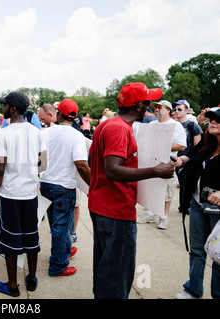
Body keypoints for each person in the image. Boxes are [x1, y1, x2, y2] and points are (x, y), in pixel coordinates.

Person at [88, 82, 175, 299]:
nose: (150, 107)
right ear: (138, 107)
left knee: (105, 269)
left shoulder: (107, 124)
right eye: (148, 103)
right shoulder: (120, 128)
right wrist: (155, 170)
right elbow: (113, 170)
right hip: (116, 209)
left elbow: (93, 159)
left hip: (101, 205)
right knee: (117, 276)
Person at [0, 91, 47, 297]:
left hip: (10, 195)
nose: (2, 108)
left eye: (5, 105)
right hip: (29, 195)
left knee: (10, 243)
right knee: (31, 238)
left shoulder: (4, 133)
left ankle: (12, 285)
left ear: (12, 109)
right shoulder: (37, 132)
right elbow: (42, 163)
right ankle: (31, 279)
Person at [40, 99, 90, 277]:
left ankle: (63, 251)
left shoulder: (46, 132)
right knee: (62, 226)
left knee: (59, 224)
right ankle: (58, 265)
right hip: (63, 186)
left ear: (59, 114)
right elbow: (81, 165)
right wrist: (93, 186)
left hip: (46, 183)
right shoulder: (76, 136)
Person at [174, 107, 220, 299]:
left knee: (218, 255)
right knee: (196, 250)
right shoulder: (207, 142)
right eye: (210, 120)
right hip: (197, 203)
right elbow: (191, 155)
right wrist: (180, 160)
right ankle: (193, 289)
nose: (212, 122)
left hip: (217, 210)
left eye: (217, 120)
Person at [137, 100, 186, 230]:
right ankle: (149, 213)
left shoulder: (176, 125)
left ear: (168, 110)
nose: (157, 110)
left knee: (166, 191)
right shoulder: (152, 124)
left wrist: (162, 145)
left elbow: (181, 144)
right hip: (150, 162)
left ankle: (163, 217)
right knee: (149, 188)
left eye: (159, 107)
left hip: (167, 163)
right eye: (156, 108)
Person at [173, 99, 203, 213]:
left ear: (186, 111)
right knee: (179, 183)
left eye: (180, 109)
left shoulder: (192, 125)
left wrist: (192, 161)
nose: (177, 111)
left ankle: (185, 206)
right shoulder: (173, 125)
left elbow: (198, 146)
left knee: (185, 183)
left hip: (187, 160)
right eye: (175, 109)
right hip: (174, 159)